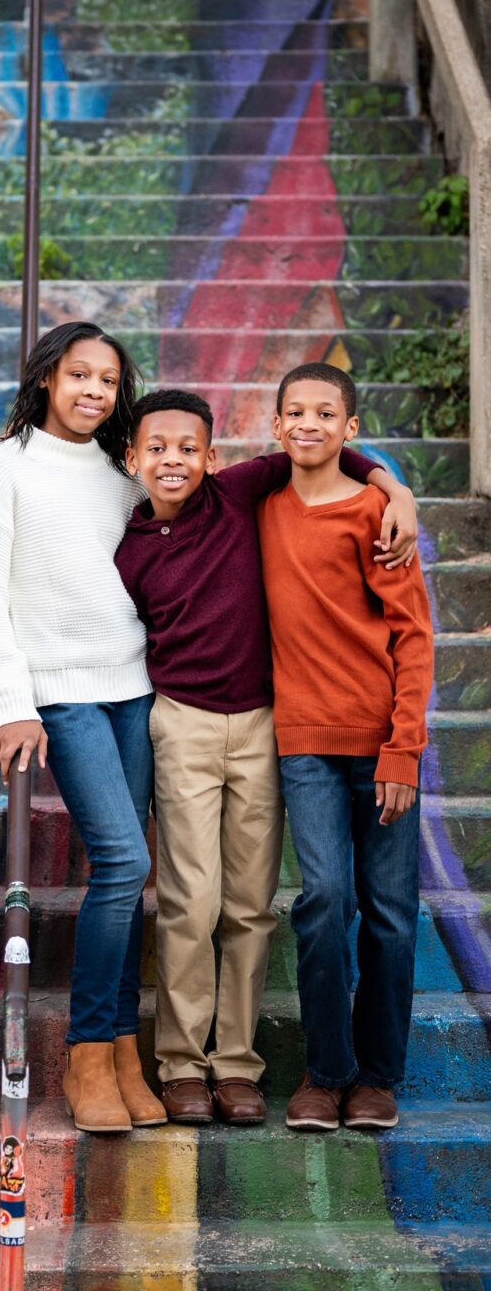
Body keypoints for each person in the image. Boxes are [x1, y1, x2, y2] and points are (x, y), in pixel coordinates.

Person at [115, 389, 418, 1128]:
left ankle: (237, 1064)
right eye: (155, 449)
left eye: (188, 448)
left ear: (212, 458)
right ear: (131, 460)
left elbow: (323, 447)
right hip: (182, 725)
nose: (172, 461)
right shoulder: (125, 553)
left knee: (249, 907)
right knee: (191, 902)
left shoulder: (239, 492)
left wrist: (393, 484)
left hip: (263, 726)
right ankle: (183, 1065)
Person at [0, 321, 165, 1134]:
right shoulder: (4, 467)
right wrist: (11, 700)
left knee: (128, 874)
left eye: (107, 382)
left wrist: (383, 483)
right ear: (47, 378)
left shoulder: (124, 473)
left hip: (136, 689)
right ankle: (87, 1052)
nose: (92, 392)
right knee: (122, 859)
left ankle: (120, 1050)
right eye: (78, 375)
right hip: (63, 695)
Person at [258, 363, 434, 1133]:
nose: (307, 424)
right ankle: (325, 1073)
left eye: (324, 413)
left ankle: (377, 1077)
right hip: (303, 745)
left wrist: (402, 749)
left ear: (349, 428)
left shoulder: (375, 516)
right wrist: (396, 482)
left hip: (380, 743)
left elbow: (413, 637)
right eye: (294, 411)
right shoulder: (258, 508)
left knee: (389, 912)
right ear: (275, 426)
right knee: (323, 900)